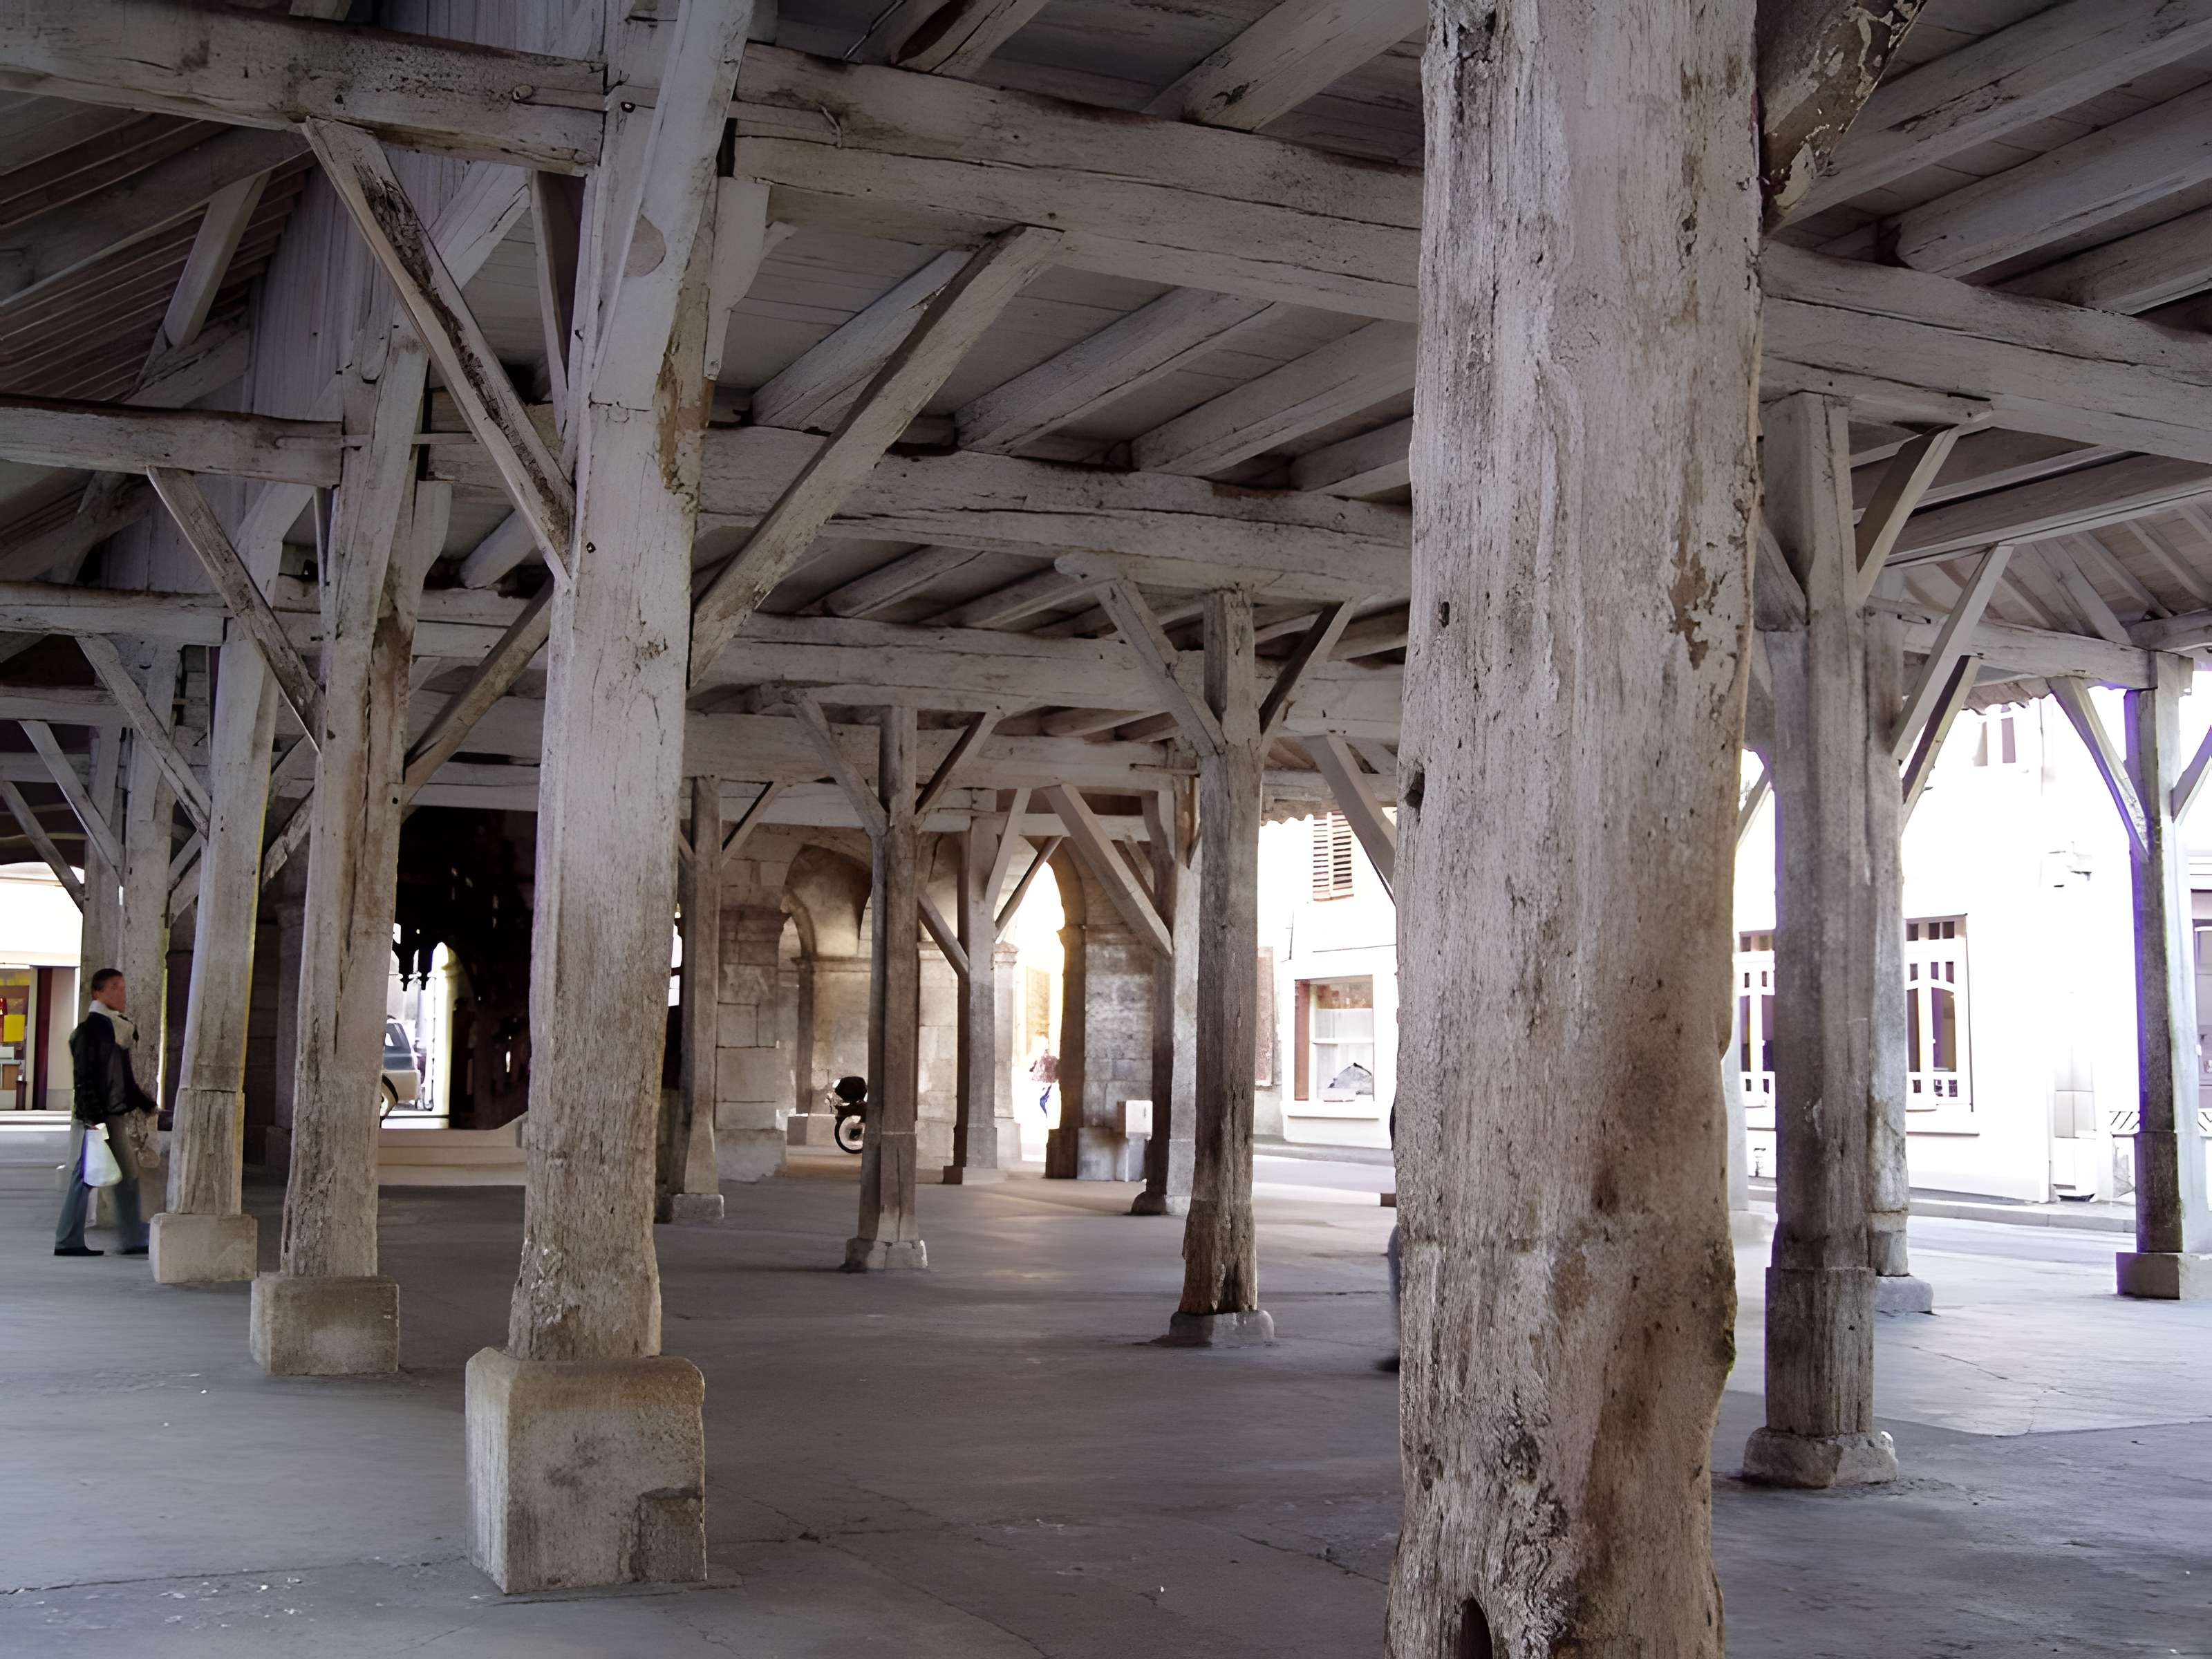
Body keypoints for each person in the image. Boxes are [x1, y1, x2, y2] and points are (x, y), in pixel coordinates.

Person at [54, 968, 156, 1259]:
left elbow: (123, 1078)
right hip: (96, 1116)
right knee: (85, 1176)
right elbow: (85, 1077)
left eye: (123, 987)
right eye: (113, 988)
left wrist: (145, 1103)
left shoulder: (117, 1028)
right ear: (97, 993)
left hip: (109, 1115)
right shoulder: (91, 1031)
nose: (120, 993)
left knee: (123, 1176)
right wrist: (93, 1118)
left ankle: (131, 1237)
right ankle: (68, 1241)